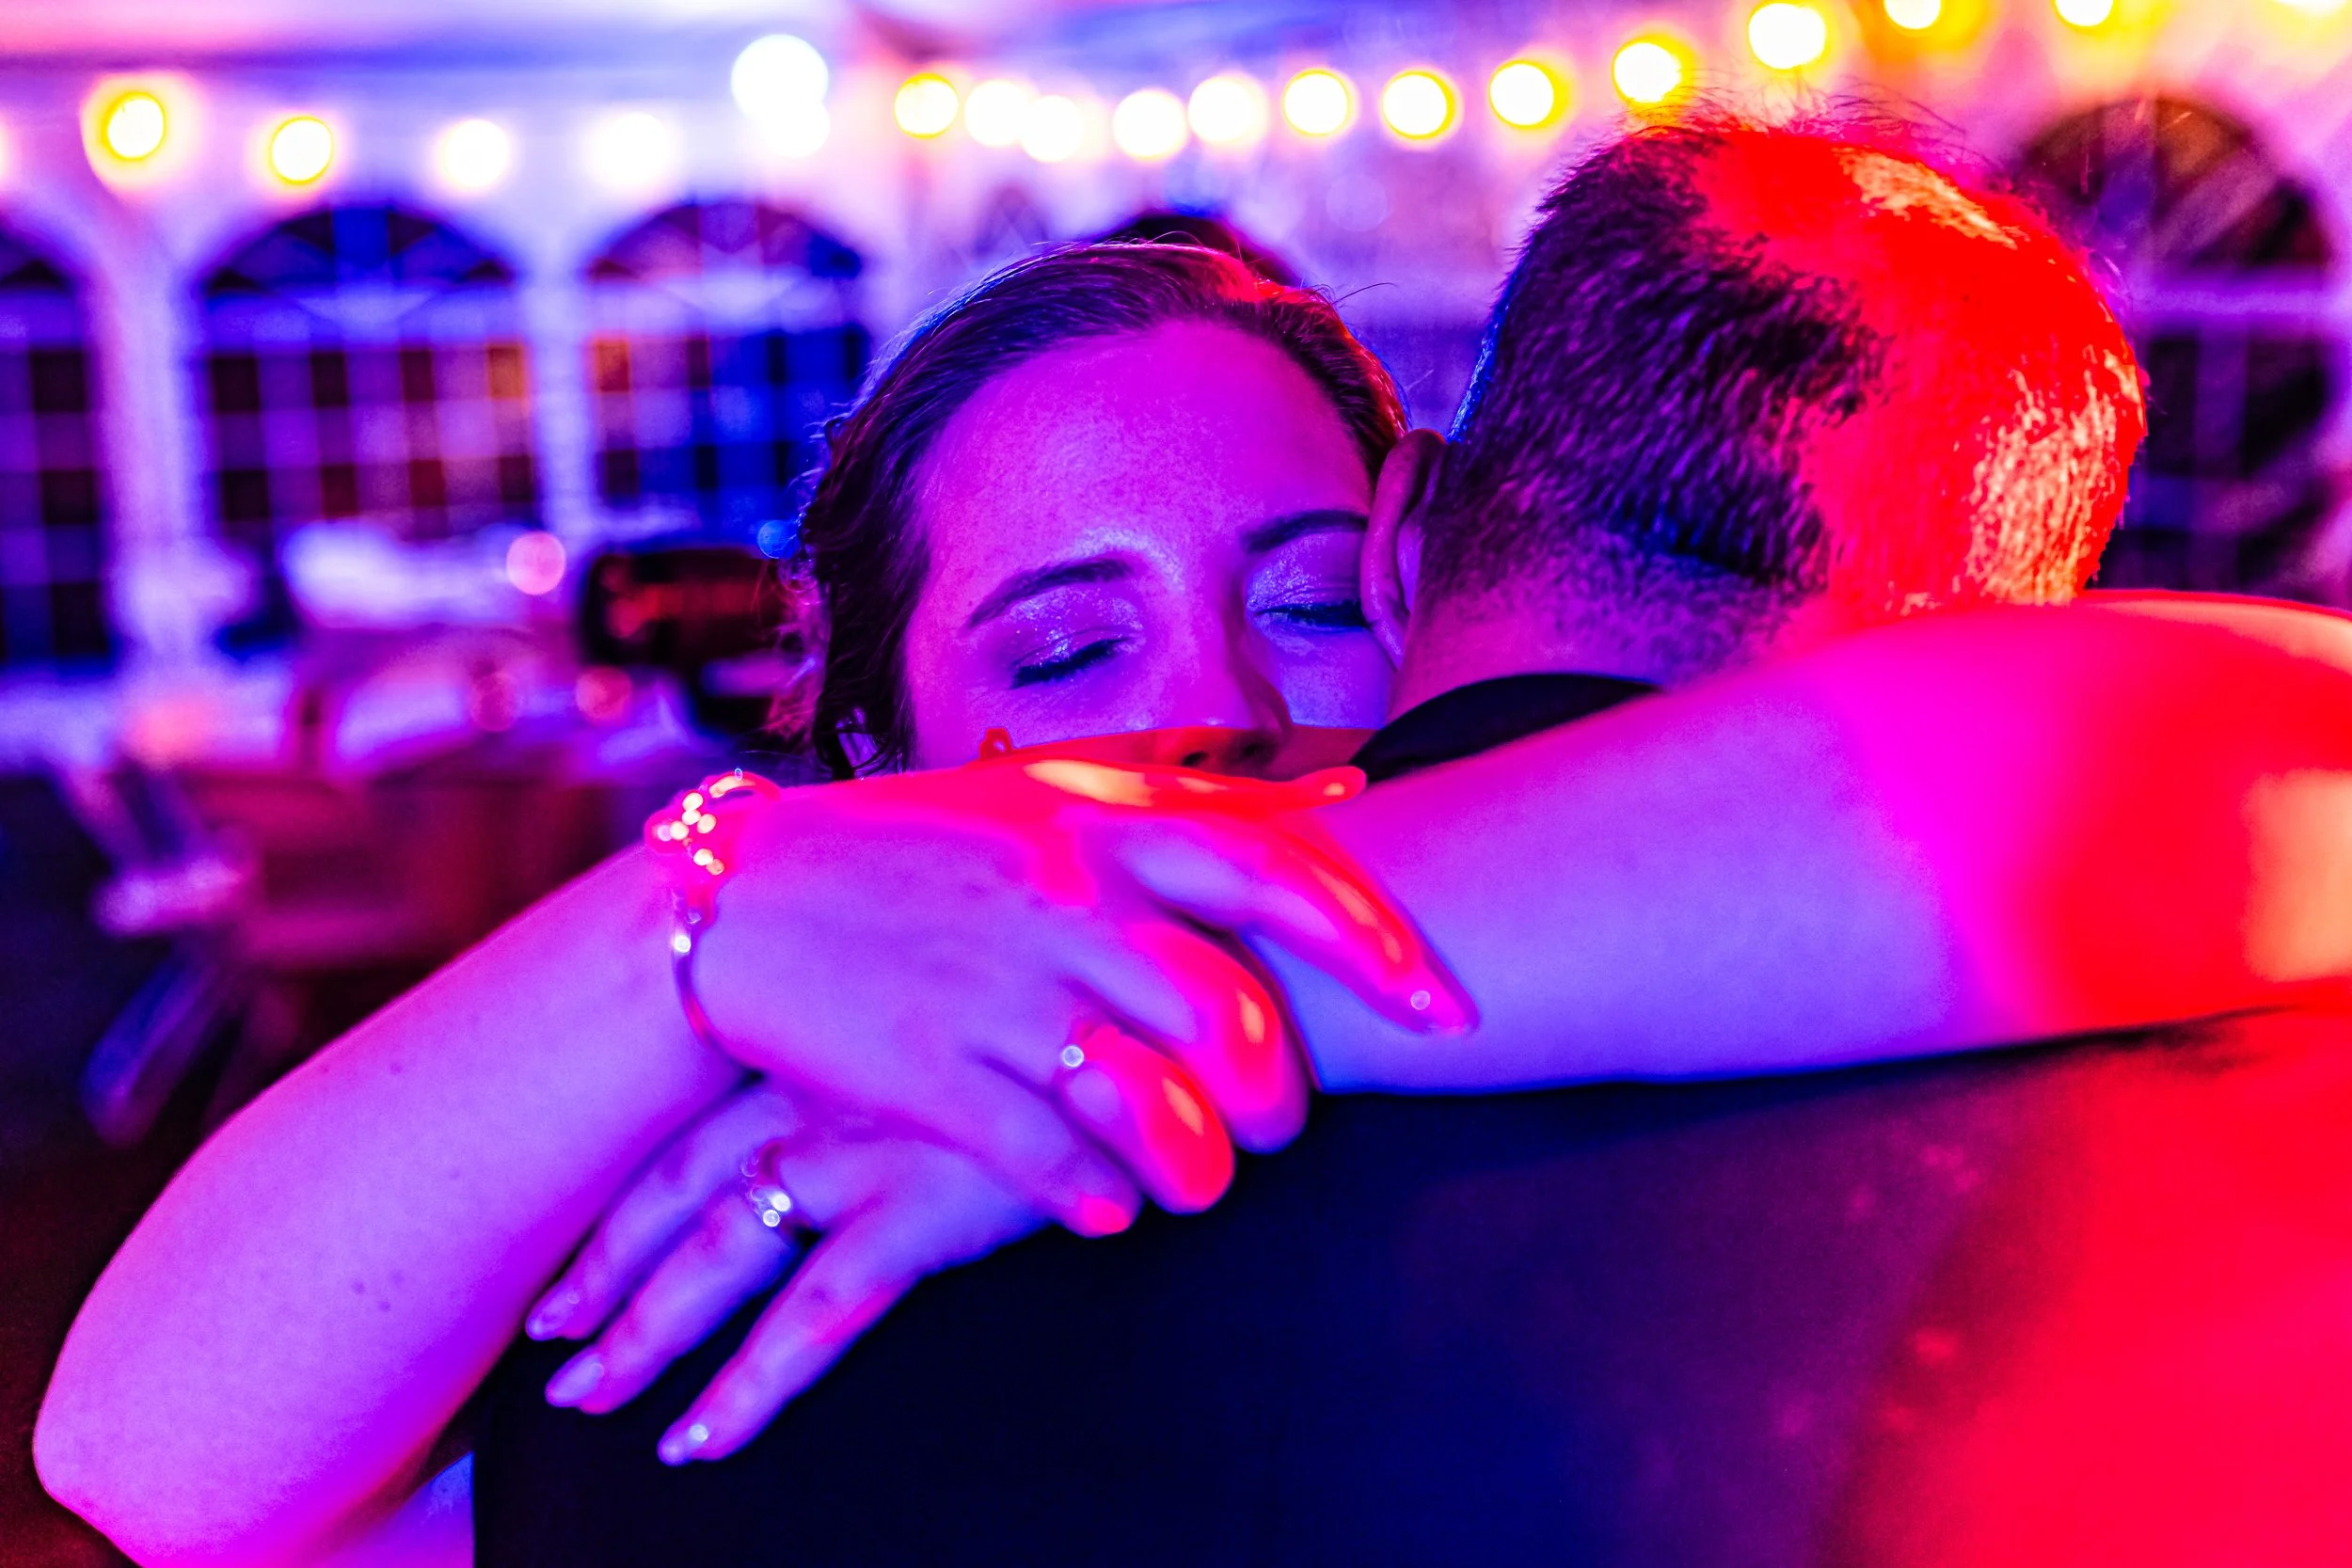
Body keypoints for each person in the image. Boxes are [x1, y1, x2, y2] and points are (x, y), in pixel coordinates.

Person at [38, 131, 2352, 1562]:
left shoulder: (1850, 959)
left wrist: (1234, 958)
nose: (1212, 708)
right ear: (872, 748)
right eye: (1063, 648)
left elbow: (2207, 750)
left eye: (1304, 597)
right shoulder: (751, 1229)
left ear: (1424, 555)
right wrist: (686, 913)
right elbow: (162, 1465)